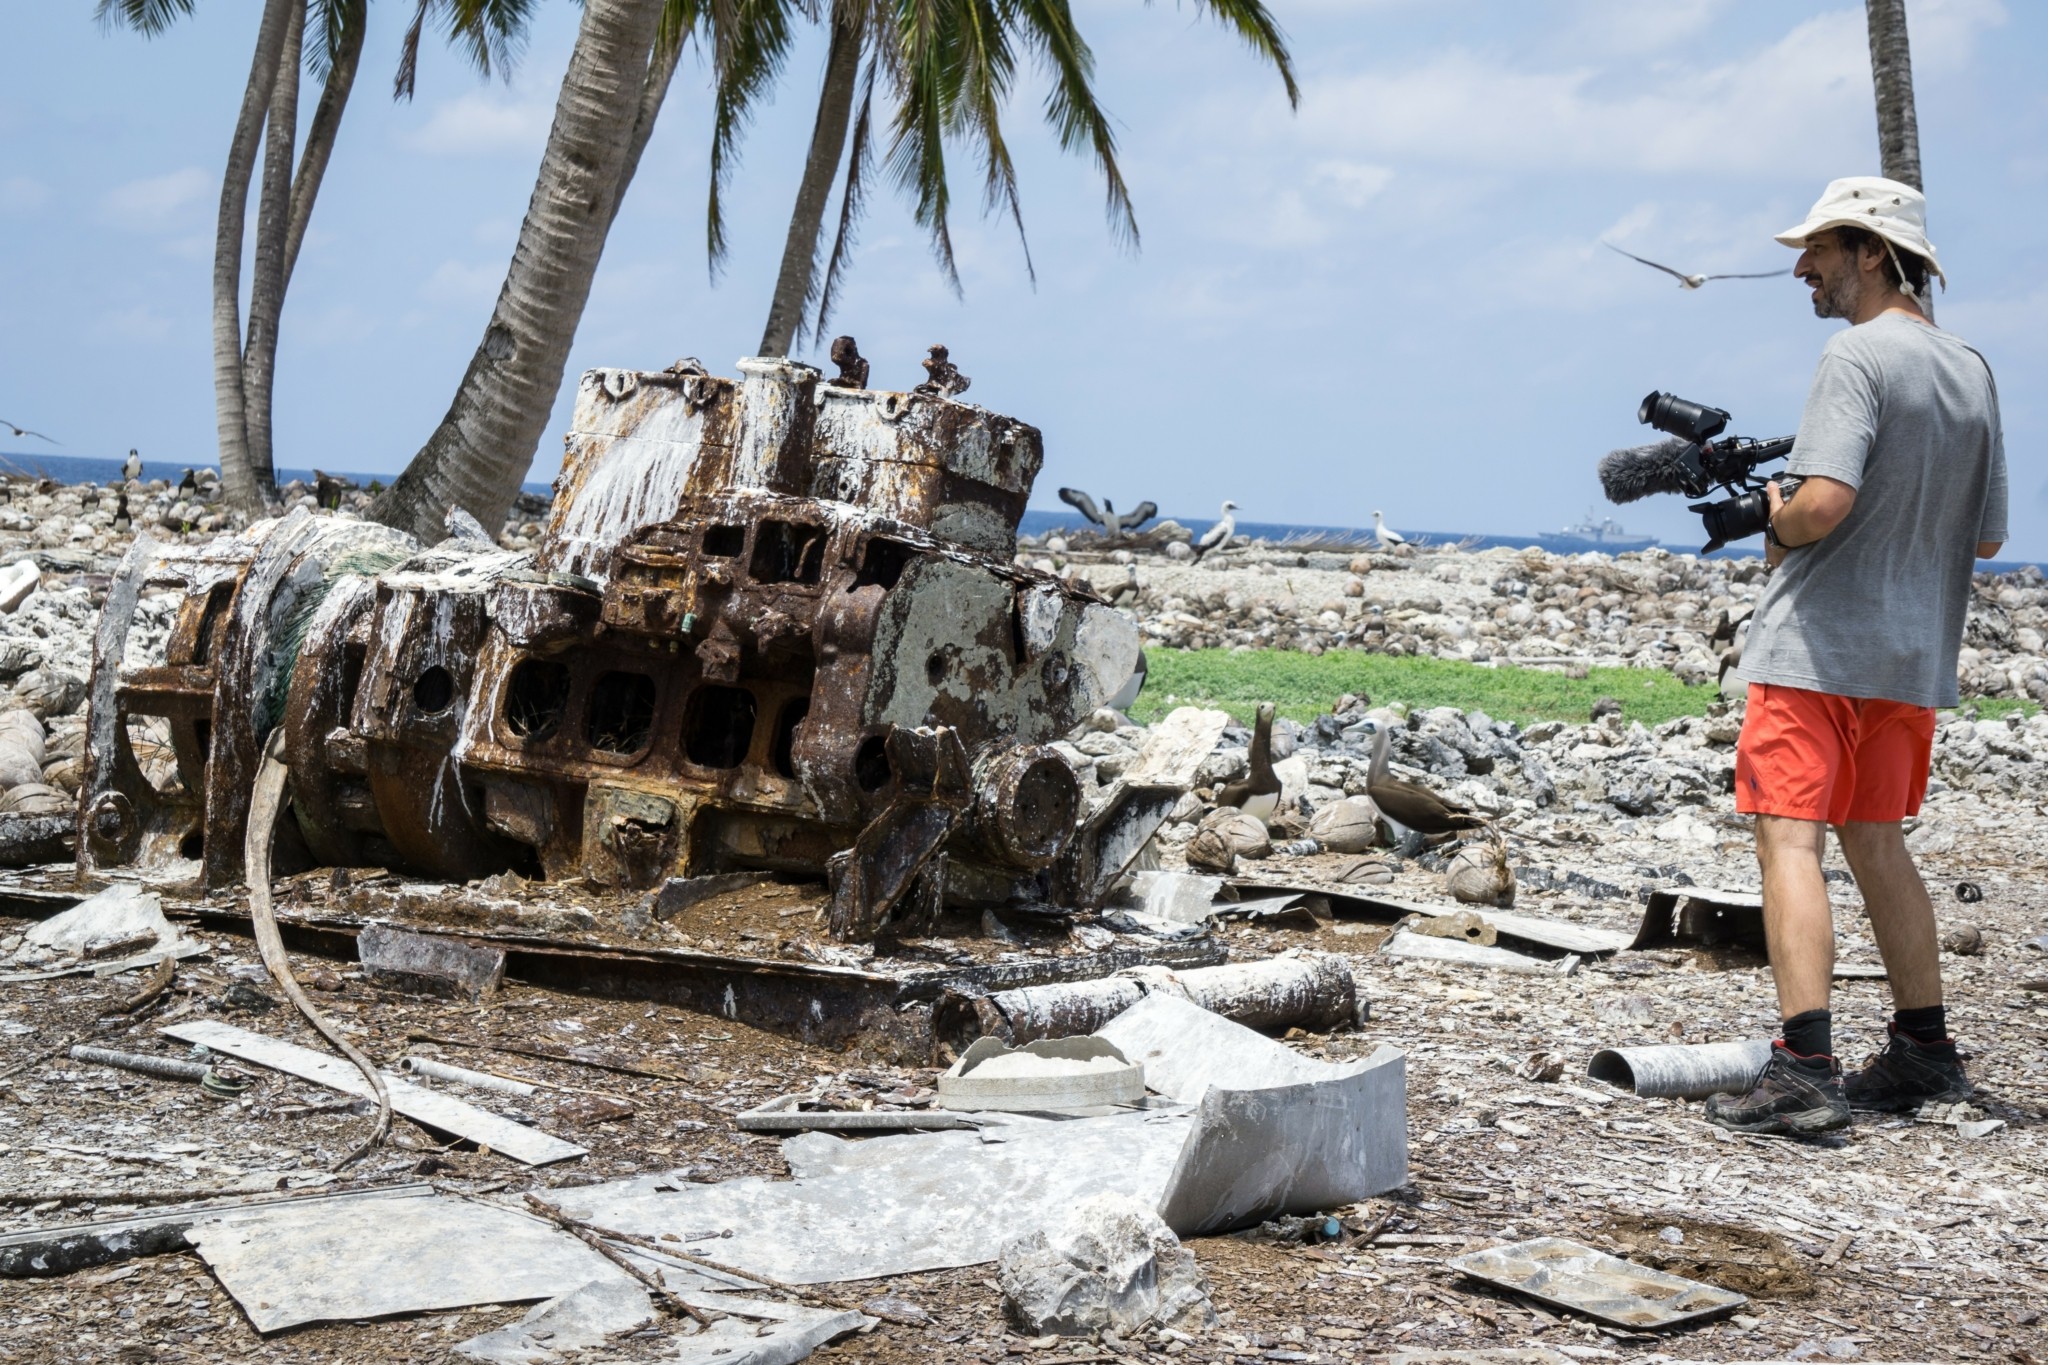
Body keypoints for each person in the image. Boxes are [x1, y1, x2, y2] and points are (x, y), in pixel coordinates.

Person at [1703, 176, 2008, 1136]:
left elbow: (1824, 502)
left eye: (1820, 250)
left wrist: (1777, 523)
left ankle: (1804, 1067)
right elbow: (1989, 535)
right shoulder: (1972, 367)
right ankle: (1925, 1051)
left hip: (1818, 649)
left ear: (1871, 252)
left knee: (1789, 842)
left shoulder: (1855, 355)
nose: (1803, 268)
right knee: (1878, 842)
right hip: (1911, 657)